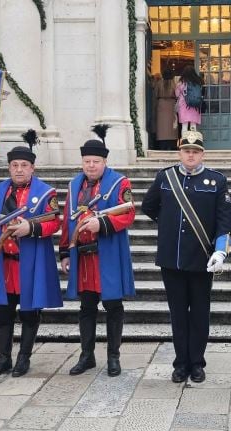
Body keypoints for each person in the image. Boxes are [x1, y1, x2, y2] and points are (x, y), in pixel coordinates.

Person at [141, 130, 231, 383]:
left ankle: (197, 363)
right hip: (172, 258)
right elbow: (148, 206)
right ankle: (181, 363)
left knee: (200, 314)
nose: (191, 155)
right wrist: (167, 225)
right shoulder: (165, 177)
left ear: (202, 154)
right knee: (178, 314)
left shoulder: (216, 180)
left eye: (195, 151)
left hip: (202, 258)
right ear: (180, 153)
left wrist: (220, 250)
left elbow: (224, 221)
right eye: (186, 151)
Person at [0, 131, 63, 377]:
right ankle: (3, 358)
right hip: (3, 264)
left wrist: (31, 228)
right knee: (2, 313)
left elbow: (54, 222)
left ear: (32, 168)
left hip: (30, 264)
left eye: (24, 165)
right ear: (9, 167)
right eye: (15, 165)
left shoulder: (46, 192)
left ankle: (23, 359)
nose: (19, 169)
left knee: (29, 313)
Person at [61, 124, 135, 377]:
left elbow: (128, 213)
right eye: (87, 161)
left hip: (108, 255)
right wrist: (65, 252)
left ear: (104, 162)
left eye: (96, 161)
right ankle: (87, 356)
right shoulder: (74, 185)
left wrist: (101, 224)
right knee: (87, 307)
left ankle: (113, 357)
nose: (91, 166)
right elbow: (67, 220)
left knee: (113, 305)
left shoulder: (120, 182)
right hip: (83, 257)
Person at [175, 65, 203, 133]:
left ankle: (185, 139)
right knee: (193, 126)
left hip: (184, 105)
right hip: (195, 105)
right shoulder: (197, 82)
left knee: (184, 126)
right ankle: (193, 139)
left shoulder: (181, 83)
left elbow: (177, 94)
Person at [155, 69, 178, 150]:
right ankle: (172, 144)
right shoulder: (174, 84)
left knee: (162, 126)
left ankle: (162, 144)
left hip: (161, 104)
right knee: (172, 125)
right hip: (171, 104)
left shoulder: (159, 83)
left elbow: (155, 94)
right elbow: (177, 95)